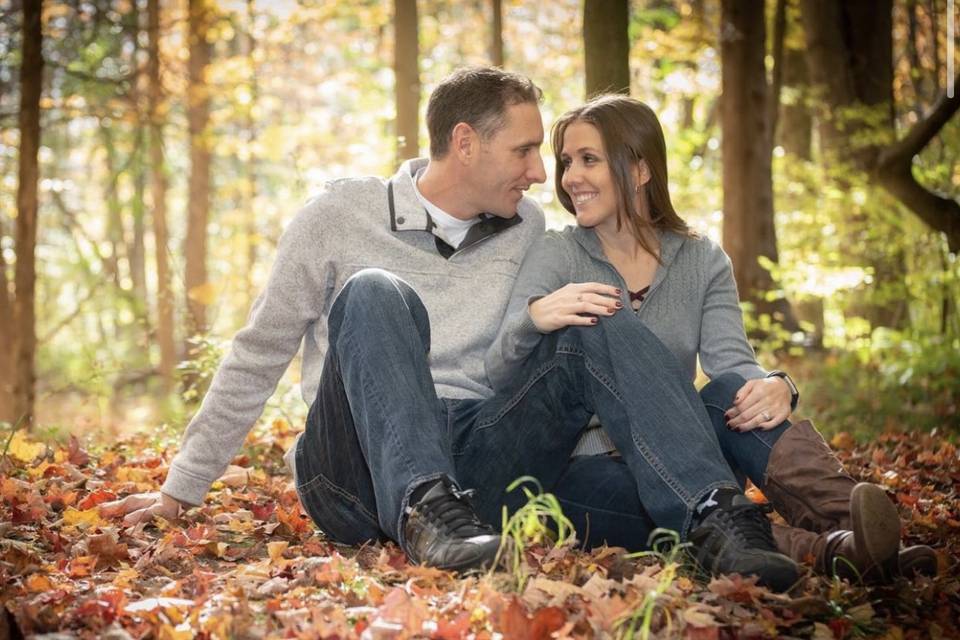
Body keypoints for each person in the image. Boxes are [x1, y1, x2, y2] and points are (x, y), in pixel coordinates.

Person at [101, 67, 800, 590]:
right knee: (377, 292)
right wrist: (179, 490)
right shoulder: (339, 214)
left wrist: (762, 377)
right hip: (355, 466)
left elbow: (583, 327)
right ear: (465, 143)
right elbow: (258, 353)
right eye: (526, 151)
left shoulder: (528, 229)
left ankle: (717, 517)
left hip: (481, 459)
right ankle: (421, 508)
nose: (540, 174)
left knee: (593, 304)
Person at [485, 94, 936, 582]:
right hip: (586, 466)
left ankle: (854, 524)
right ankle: (836, 553)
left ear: (640, 170)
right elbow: (499, 367)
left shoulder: (701, 258)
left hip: (686, 454)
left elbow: (732, 364)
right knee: (656, 505)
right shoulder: (557, 253)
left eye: (589, 159)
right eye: (567, 161)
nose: (570, 177)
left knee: (729, 394)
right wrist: (536, 315)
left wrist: (777, 384)